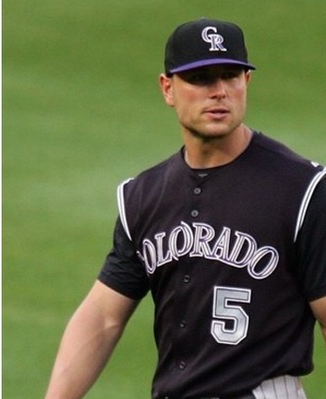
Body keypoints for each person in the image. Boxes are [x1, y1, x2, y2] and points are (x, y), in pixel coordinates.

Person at [45, 18, 326, 399]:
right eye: (201, 79)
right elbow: (104, 316)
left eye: (231, 76)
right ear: (168, 88)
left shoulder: (303, 189)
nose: (219, 92)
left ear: (248, 82)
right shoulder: (143, 195)